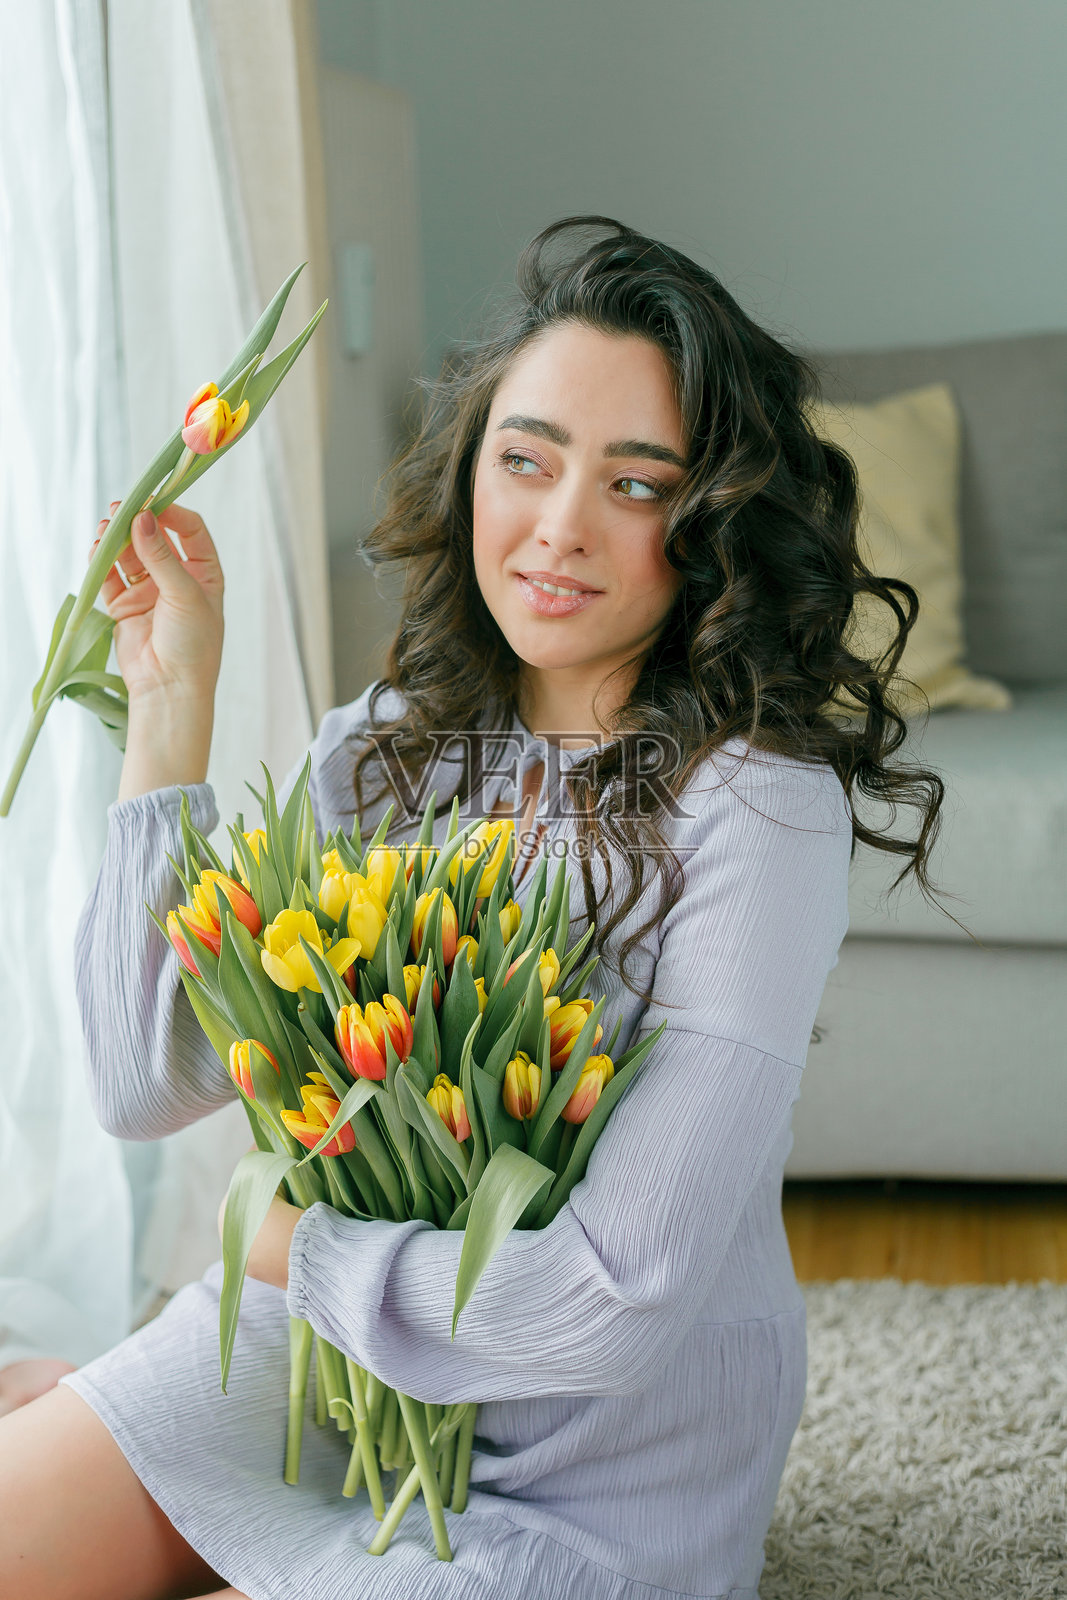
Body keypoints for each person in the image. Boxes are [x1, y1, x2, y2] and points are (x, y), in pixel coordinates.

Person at [0, 216, 943, 1600]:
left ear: (710, 527)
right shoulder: (390, 746)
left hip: (598, 1456)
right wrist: (169, 699)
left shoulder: (756, 811)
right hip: (324, 1369)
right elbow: (147, 1083)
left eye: (636, 485)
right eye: (526, 459)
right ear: (471, 470)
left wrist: (306, 1252)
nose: (560, 528)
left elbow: (614, 1300)